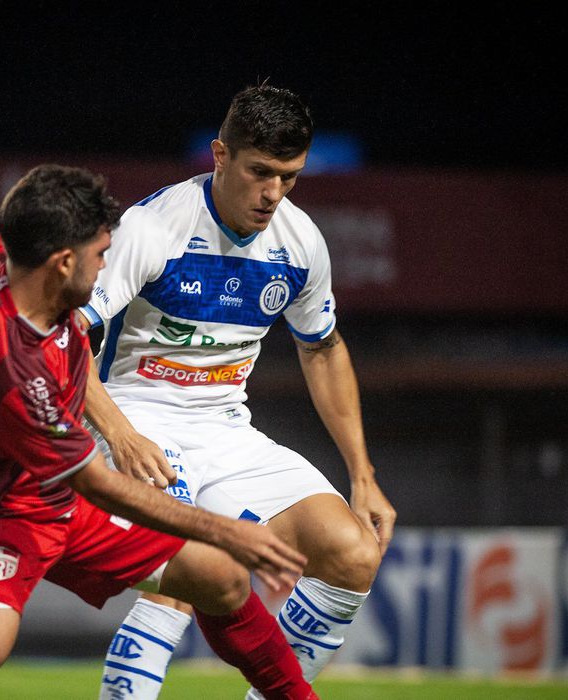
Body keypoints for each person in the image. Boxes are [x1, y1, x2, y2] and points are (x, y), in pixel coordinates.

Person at [0, 165, 319, 699]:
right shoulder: (20, 371)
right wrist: (228, 529)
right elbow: (97, 483)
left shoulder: (2, 268)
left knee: (220, 579)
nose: (106, 266)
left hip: (56, 500)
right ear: (63, 262)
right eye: (101, 255)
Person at [80, 84, 397, 699]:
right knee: (188, 573)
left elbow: (323, 349)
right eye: (260, 172)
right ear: (220, 156)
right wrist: (118, 433)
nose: (273, 193)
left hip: (224, 429)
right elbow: (61, 340)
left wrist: (362, 472)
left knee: (353, 553)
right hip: (134, 418)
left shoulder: (300, 243)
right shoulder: (151, 228)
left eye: (290, 177)